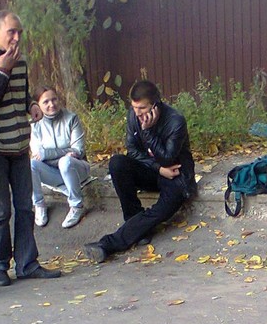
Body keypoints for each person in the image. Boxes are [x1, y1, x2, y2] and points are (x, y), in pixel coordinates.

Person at [0, 10, 61, 286]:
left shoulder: (21, 60)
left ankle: (27, 263)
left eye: (19, 32)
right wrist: (3, 70)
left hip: (18, 143)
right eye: (11, 32)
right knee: (0, 210)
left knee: (26, 207)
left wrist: (31, 106)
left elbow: (21, 95)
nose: (17, 38)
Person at [84, 80, 196, 263]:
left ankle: (107, 245)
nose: (137, 113)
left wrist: (148, 133)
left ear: (155, 104)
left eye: (142, 108)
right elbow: (133, 150)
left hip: (176, 176)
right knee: (117, 163)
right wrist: (158, 169)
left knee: (160, 212)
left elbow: (168, 157)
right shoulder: (133, 116)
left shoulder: (176, 121)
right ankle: (137, 227)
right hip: (156, 170)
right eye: (134, 107)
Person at [29, 86, 91, 229]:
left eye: (54, 99)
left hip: (77, 169)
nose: (52, 104)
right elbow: (38, 156)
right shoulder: (35, 125)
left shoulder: (71, 118)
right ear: (38, 105)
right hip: (53, 174)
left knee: (66, 162)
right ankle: (39, 205)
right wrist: (63, 152)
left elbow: (78, 151)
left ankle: (76, 205)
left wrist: (48, 154)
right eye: (46, 102)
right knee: (31, 164)